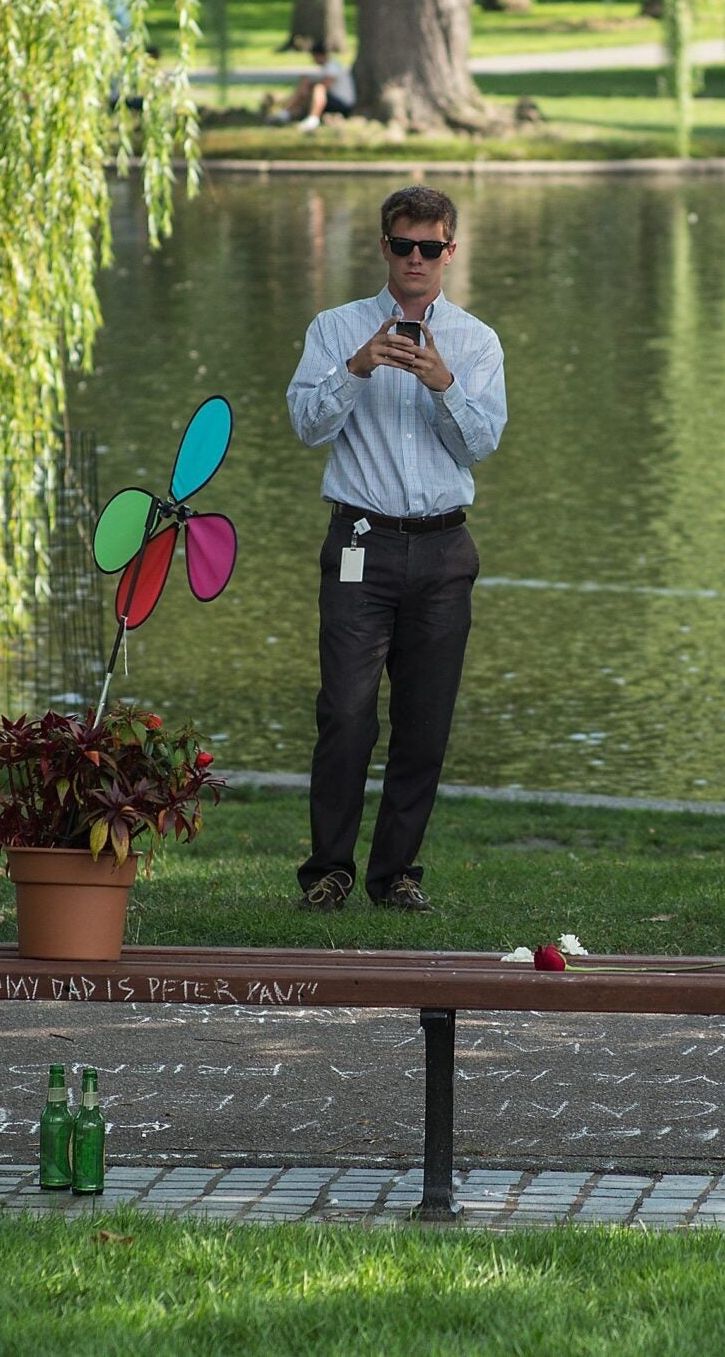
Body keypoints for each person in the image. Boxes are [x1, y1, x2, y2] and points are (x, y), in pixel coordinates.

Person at [284, 185, 506, 913]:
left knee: (425, 719)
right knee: (346, 711)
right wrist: (355, 369)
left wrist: (444, 385)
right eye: (403, 245)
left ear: (450, 251)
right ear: (384, 248)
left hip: (443, 549)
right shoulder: (335, 328)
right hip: (358, 541)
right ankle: (328, 869)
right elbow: (307, 428)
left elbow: (481, 445)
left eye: (430, 247)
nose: (416, 259)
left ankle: (396, 873)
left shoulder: (474, 342)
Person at [270, 40, 354, 132]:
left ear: (319, 55)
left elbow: (327, 85)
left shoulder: (333, 66)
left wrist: (309, 86)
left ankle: (313, 118)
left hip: (343, 104)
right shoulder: (328, 66)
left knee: (318, 88)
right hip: (333, 101)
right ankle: (286, 114)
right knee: (306, 83)